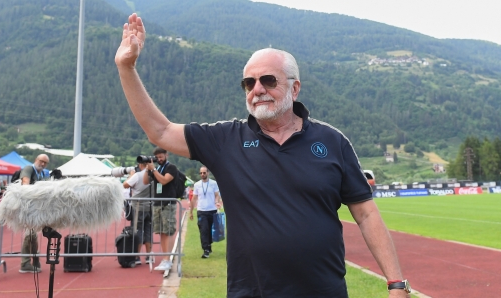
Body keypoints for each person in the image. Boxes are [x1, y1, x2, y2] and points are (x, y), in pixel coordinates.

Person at [116, 13, 410, 297]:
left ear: (294, 88)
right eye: (249, 83)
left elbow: (366, 213)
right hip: (252, 292)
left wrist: (396, 282)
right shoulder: (225, 139)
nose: (257, 89)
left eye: (268, 80)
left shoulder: (332, 142)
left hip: (324, 291)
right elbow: (161, 131)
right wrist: (126, 68)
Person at [142, 147, 178, 271]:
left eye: (161, 157)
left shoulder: (171, 168)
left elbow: (163, 181)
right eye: (157, 157)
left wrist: (154, 171)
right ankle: (165, 259)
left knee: (167, 231)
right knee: (161, 232)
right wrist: (148, 170)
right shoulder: (156, 168)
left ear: (166, 155)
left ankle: (168, 259)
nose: (159, 159)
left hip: (167, 203)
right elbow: (145, 181)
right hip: (157, 203)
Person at [19, 154, 49, 274]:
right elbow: (25, 185)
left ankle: (34, 261)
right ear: (36, 160)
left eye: (45, 163)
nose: (42, 164)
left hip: (36, 209)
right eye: (41, 161)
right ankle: (25, 263)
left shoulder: (43, 174)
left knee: (33, 235)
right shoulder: (28, 169)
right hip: (26, 207)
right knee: (30, 235)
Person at [123, 161, 153, 265]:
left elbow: (125, 185)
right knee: (148, 230)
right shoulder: (153, 174)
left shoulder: (137, 175)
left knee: (138, 231)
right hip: (150, 206)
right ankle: (149, 255)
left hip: (139, 207)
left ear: (140, 165)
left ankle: (137, 256)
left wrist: (130, 176)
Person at [189, 166, 221, 258]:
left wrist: (217, 202)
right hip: (201, 211)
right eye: (201, 173)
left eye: (204, 173)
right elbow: (194, 198)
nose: (202, 174)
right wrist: (191, 211)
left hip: (212, 210)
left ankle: (209, 245)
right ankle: (205, 250)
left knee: (210, 231)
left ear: (208, 173)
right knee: (204, 230)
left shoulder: (214, 183)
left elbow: (217, 195)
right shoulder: (197, 185)